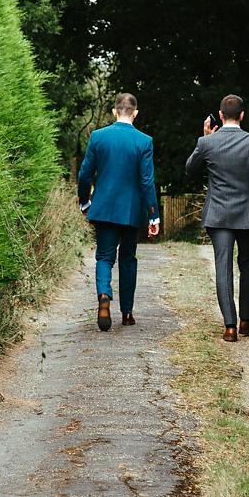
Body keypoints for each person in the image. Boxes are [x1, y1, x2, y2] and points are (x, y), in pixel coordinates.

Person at [185, 94, 249, 342]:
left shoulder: (207, 142)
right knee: (247, 264)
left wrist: (204, 139)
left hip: (218, 214)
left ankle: (230, 327)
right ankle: (246, 319)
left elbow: (190, 169)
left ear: (220, 116)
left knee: (223, 267)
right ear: (242, 115)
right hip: (246, 213)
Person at [77, 92, 160, 331]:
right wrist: (153, 214)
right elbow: (147, 182)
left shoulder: (99, 137)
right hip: (131, 211)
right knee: (128, 258)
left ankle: (104, 295)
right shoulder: (144, 141)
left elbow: (84, 174)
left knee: (104, 257)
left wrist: (85, 202)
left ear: (114, 111)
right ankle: (127, 312)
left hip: (103, 208)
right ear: (135, 113)